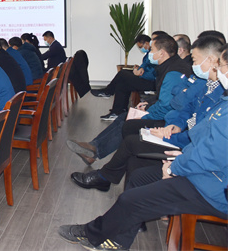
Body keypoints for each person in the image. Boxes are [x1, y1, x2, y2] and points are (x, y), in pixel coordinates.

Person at [58, 49, 228, 250]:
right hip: (202, 171)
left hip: (213, 188)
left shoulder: (221, 104)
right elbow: (200, 136)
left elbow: (209, 153)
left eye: (222, 66)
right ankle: (119, 240)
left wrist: (174, 168)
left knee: (130, 197)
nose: (218, 70)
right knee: (138, 175)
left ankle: (91, 233)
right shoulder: (222, 101)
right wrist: (181, 155)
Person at [67, 34, 198, 166]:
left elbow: (165, 106)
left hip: (170, 121)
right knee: (123, 116)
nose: (150, 53)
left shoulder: (173, 73)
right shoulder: (169, 66)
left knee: (128, 122)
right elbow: (165, 97)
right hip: (167, 113)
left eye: (152, 50)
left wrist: (145, 114)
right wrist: (148, 104)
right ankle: (93, 147)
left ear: (162, 53)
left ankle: (95, 151)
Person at [91, 33, 156, 101]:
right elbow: (146, 66)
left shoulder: (155, 55)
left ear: (147, 43)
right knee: (122, 84)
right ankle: (117, 107)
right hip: (145, 77)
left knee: (122, 73)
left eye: (141, 47)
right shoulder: (149, 54)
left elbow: (153, 74)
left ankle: (108, 91)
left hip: (150, 82)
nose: (141, 49)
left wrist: (140, 74)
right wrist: (139, 68)